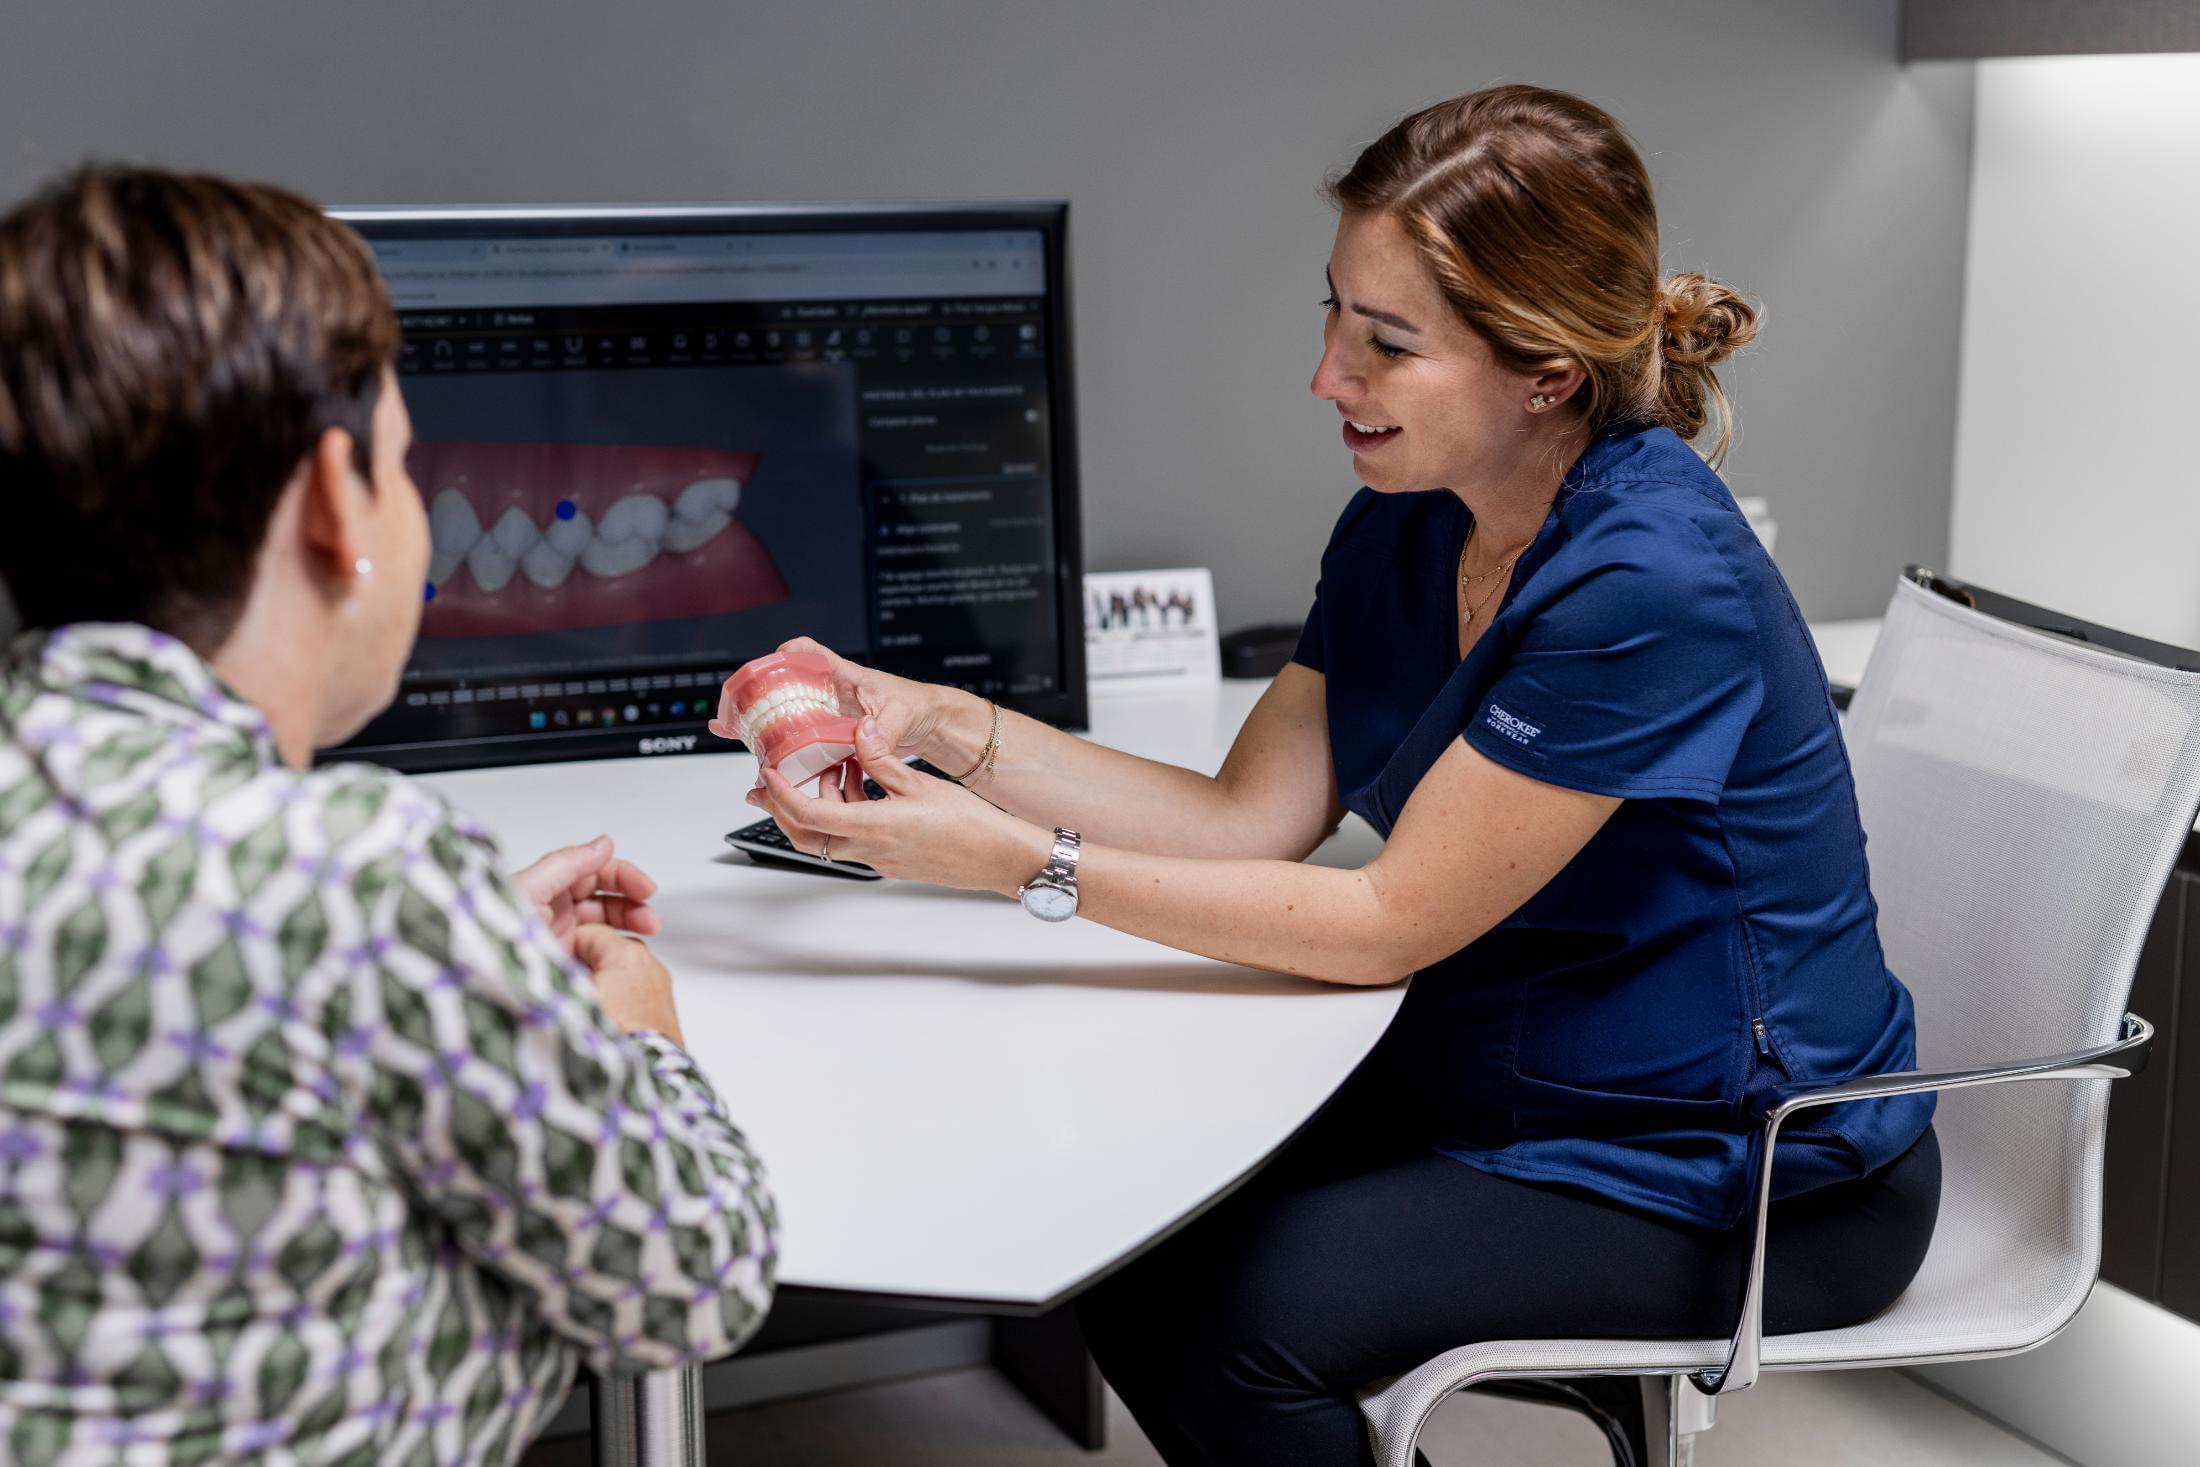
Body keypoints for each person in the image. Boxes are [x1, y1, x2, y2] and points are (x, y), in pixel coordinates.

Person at [733, 84, 1937, 1464]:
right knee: (1120, 1227)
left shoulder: (1652, 580)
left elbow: (1385, 926)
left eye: (1386, 342)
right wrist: (945, 726)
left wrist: (1020, 866)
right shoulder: (1413, 514)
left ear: (1546, 372)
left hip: (1734, 1168)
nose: (1326, 375)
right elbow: (1245, 820)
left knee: (1234, 1320)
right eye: (1331, 314)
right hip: (1509, 1075)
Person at [0, 167, 775, 1465]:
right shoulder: (357, 872)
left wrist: (448, 950)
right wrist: (637, 1033)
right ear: (327, 501)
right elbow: (697, 1279)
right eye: (406, 468)